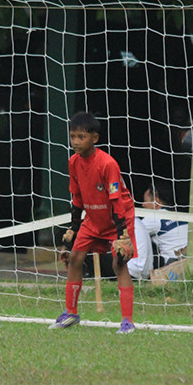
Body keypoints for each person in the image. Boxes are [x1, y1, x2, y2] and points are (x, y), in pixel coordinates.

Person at [50, 112, 138, 334]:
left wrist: (121, 235)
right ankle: (71, 314)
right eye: (72, 137)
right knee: (74, 258)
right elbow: (77, 198)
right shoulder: (73, 162)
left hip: (117, 217)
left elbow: (117, 202)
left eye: (81, 137)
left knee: (119, 263)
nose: (76, 142)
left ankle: (127, 322)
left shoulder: (108, 164)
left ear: (95, 138)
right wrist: (73, 228)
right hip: (92, 218)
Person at [140, 181, 188, 268]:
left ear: (157, 202)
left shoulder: (154, 217)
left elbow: (132, 233)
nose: (142, 205)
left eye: (145, 201)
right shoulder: (181, 215)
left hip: (174, 265)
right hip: (191, 258)